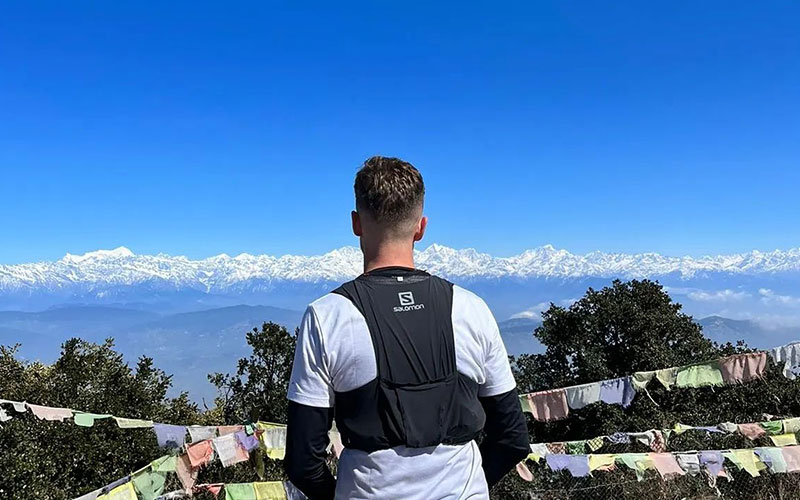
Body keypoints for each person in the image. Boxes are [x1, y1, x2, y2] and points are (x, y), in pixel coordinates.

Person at [285, 156, 529, 499]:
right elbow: (513, 439)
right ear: (421, 227)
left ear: (356, 223)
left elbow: (302, 462)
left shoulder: (328, 316)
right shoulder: (471, 309)